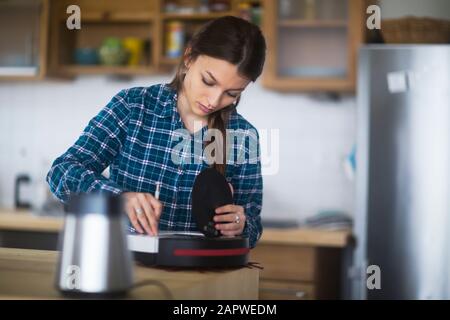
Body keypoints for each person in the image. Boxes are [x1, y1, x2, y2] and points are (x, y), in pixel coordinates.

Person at [47, 16, 266, 248]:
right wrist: (119, 198)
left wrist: (240, 224)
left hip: (203, 276)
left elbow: (252, 223)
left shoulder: (243, 136)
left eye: (232, 93)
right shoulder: (133, 106)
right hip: (123, 268)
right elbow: (61, 172)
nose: (213, 101)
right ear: (189, 57)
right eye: (208, 81)